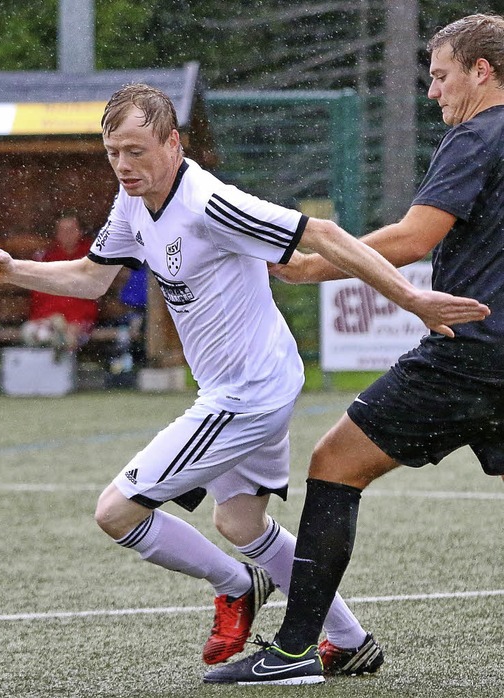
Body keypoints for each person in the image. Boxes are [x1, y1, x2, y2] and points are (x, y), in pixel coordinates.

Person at [0, 83, 487, 675]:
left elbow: (323, 236)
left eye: (136, 150)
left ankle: (237, 585)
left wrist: (412, 299)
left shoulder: (209, 202)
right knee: (239, 521)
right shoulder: (132, 202)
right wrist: (13, 271)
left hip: (249, 394)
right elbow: (91, 278)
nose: (124, 166)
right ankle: (348, 639)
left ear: (172, 141)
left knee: (116, 511)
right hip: (251, 382)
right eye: (113, 152)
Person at [203, 13, 501, 686]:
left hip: (472, 350)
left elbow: (412, 239)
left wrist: (317, 263)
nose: (433, 92)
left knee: (335, 462)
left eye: (441, 75)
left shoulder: (477, 134)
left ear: (482, 72)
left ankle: (295, 651)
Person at [20, 210, 99, 352]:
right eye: (62, 230)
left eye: (70, 230)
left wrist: (75, 321)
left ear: (79, 232)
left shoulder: (91, 256)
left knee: (66, 339)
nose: (66, 235)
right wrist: (49, 318)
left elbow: (91, 294)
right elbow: (39, 294)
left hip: (78, 320)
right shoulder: (47, 257)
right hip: (48, 319)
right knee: (35, 334)